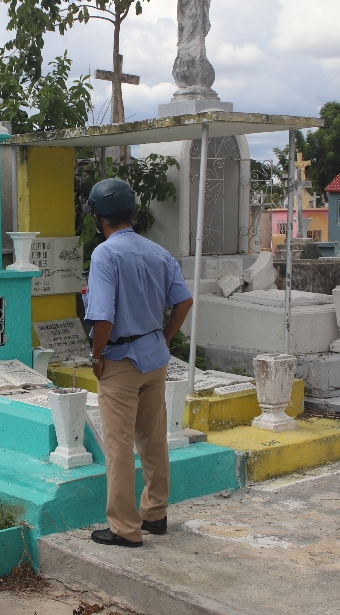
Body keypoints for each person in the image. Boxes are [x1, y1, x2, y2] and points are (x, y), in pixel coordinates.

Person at [82, 178, 194, 548]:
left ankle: (124, 529)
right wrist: (164, 337)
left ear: (98, 216)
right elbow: (184, 302)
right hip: (153, 356)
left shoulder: (105, 254)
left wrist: (97, 356)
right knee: (153, 438)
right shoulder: (158, 252)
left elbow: (103, 319)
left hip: (120, 359)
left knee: (118, 446)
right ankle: (155, 514)